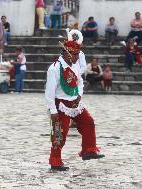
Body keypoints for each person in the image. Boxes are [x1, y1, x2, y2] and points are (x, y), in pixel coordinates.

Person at [45, 29, 104, 171]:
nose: (78, 57)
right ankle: (55, 161)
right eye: (76, 54)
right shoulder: (54, 68)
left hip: (74, 102)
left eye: (78, 54)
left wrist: (79, 95)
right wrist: (53, 110)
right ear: (66, 53)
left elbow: (79, 82)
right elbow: (49, 92)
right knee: (60, 134)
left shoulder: (75, 65)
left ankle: (88, 150)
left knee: (88, 122)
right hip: (60, 105)